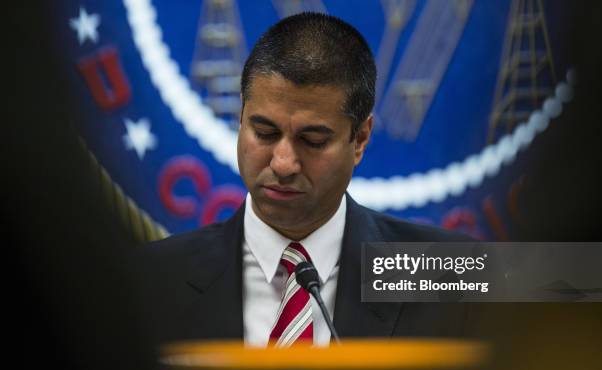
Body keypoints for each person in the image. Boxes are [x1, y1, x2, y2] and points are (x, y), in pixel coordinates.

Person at [141, 12, 469, 347]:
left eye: (312, 140)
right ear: (241, 117)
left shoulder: (453, 276)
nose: (283, 164)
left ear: (360, 139)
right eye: (264, 132)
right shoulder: (146, 280)